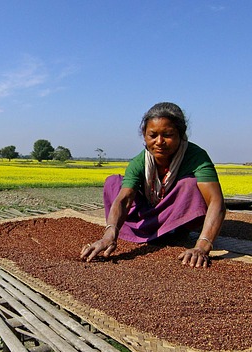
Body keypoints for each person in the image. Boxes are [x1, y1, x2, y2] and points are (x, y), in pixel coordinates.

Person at [80, 102, 225, 267]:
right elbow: (125, 199)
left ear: (182, 134)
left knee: (190, 185)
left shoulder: (197, 157)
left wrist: (202, 246)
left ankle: (172, 229)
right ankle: (160, 231)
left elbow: (216, 201)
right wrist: (109, 235)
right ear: (144, 135)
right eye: (153, 135)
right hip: (148, 212)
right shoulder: (139, 162)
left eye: (168, 134)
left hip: (176, 213)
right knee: (114, 182)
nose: (159, 141)